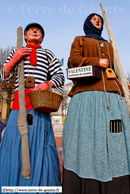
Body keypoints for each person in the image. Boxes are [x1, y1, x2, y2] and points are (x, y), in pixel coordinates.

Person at [62, 13, 130, 194]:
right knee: (87, 136)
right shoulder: (80, 40)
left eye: (99, 19)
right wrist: (95, 61)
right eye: (93, 18)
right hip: (87, 92)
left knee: (115, 131)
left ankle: (117, 177)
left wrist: (122, 81)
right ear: (87, 22)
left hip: (113, 94)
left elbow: (115, 68)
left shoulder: (110, 44)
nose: (97, 20)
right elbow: (73, 60)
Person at [0, 23, 64, 192]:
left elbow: (59, 76)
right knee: (15, 146)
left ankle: (41, 186)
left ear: (42, 38)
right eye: (31, 30)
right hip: (17, 108)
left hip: (39, 107)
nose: (35, 31)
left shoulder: (48, 53)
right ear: (26, 36)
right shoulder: (17, 51)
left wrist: (47, 84)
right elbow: (4, 76)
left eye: (39, 31)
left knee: (40, 148)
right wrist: (15, 58)